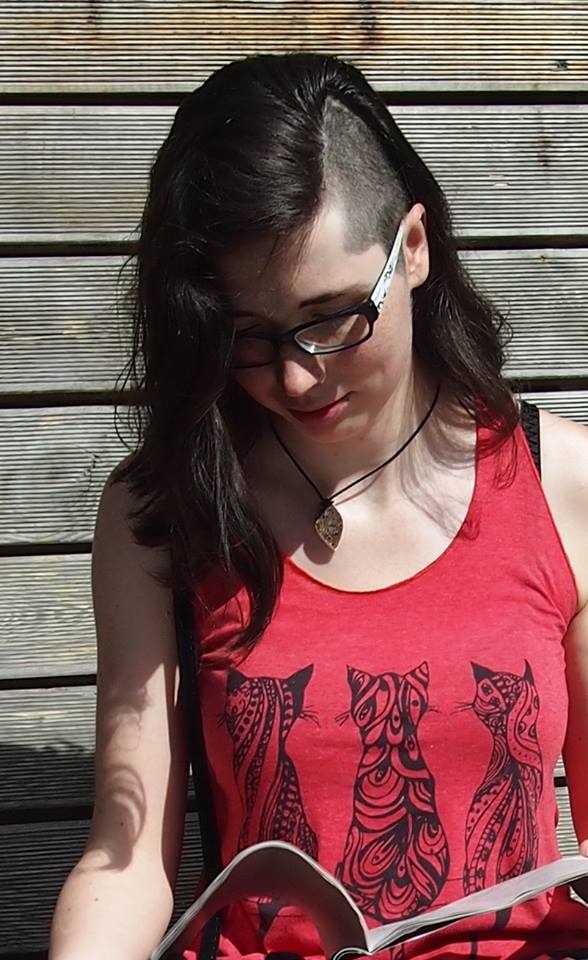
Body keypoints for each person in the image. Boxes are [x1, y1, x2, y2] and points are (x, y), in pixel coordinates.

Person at [49, 53, 588, 960]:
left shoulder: (563, 481)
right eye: (247, 336)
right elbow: (127, 856)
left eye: (333, 316)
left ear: (412, 250)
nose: (297, 377)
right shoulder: (166, 513)